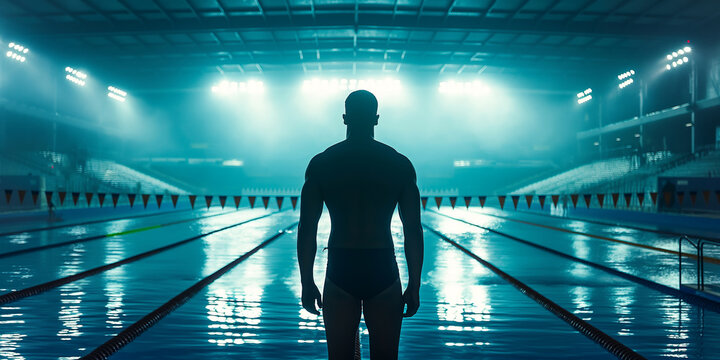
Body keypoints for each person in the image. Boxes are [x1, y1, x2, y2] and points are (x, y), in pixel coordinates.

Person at [297, 90, 424, 359]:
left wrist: (306, 282)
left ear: (344, 118)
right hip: (383, 268)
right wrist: (415, 284)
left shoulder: (322, 164)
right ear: (376, 119)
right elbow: (413, 230)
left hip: (341, 268)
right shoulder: (399, 164)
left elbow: (307, 228)